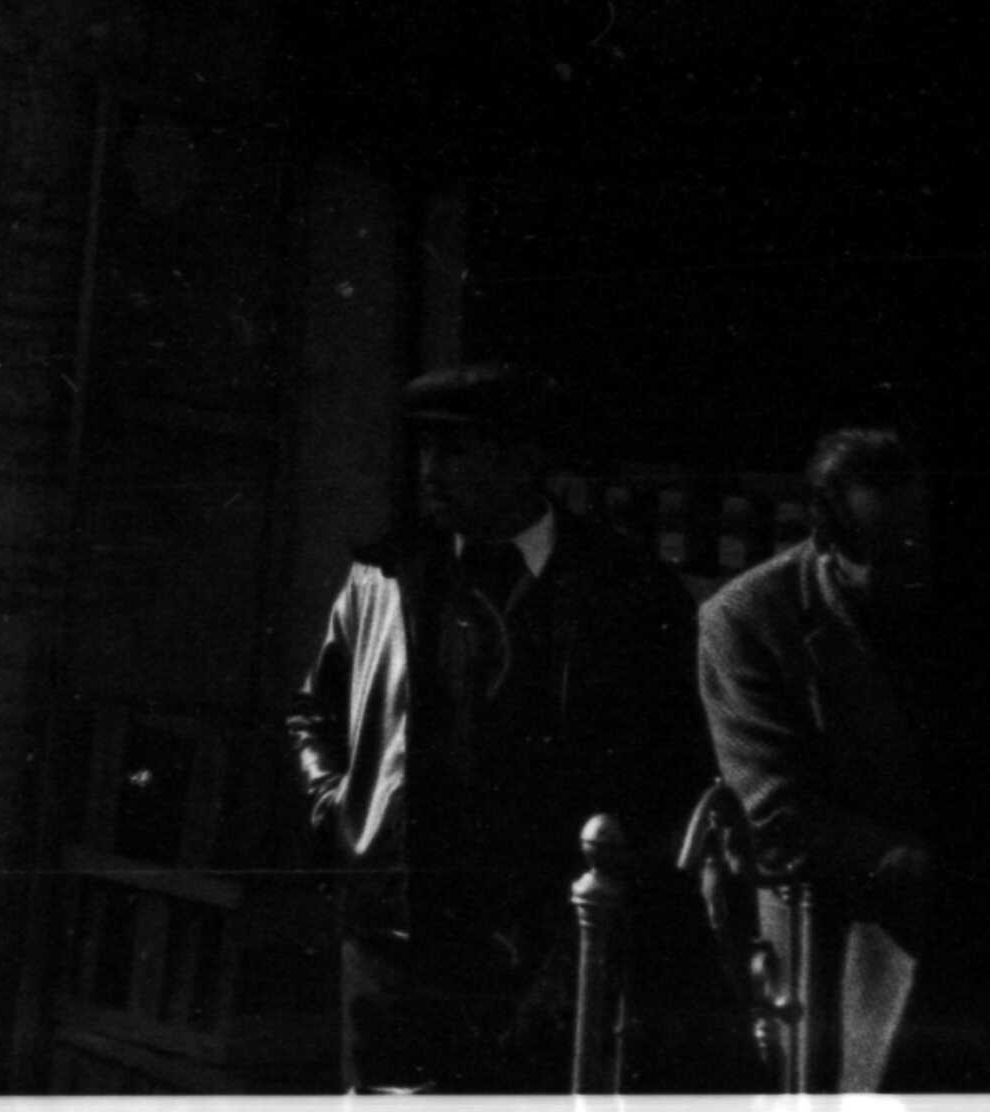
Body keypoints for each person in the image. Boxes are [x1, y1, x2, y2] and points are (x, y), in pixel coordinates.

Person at [287, 359, 714, 1091]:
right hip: (403, 939)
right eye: (425, 448)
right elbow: (313, 711)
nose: (430, 471)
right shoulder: (385, 576)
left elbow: (674, 767)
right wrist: (342, 807)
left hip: (558, 945)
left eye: (456, 450)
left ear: (524, 460)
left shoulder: (628, 588)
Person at [701, 422, 973, 1095]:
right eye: (889, 552)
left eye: (921, 542)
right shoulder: (748, 620)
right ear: (826, 542)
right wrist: (927, 868)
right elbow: (776, 815)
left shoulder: (946, 591)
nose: (916, 568)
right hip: (848, 945)